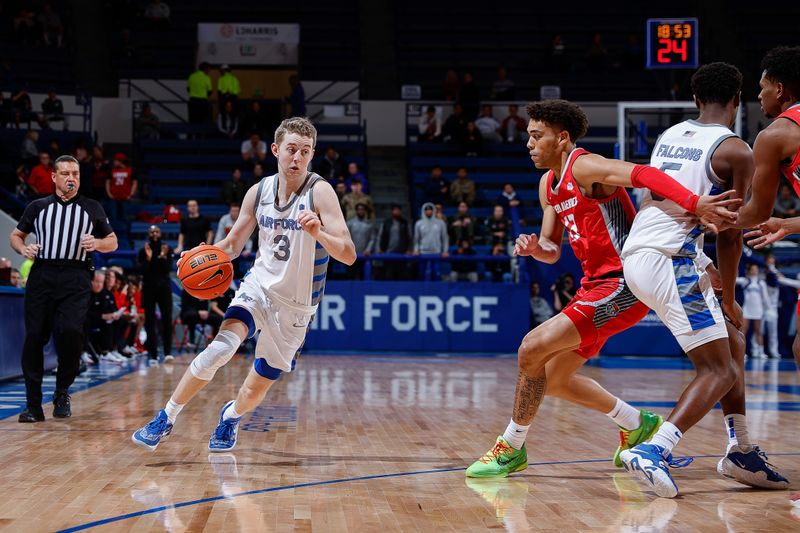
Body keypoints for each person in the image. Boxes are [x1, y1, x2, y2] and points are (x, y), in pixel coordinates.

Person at [465, 99, 739, 484]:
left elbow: (643, 174)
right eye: (528, 136)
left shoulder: (585, 165)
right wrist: (533, 248)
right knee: (555, 379)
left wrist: (696, 204)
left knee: (530, 348)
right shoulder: (548, 184)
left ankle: (511, 447)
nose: (528, 143)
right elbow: (551, 248)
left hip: (624, 283)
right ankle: (636, 423)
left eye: (536, 135)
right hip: (593, 287)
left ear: (562, 138)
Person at [132, 117, 356, 452]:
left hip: (296, 306)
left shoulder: (320, 192)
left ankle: (231, 417)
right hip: (259, 288)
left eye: (305, 151)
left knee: (254, 390)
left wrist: (318, 233)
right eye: (292, 149)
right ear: (276, 150)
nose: (297, 157)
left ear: (312, 155)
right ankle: (166, 416)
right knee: (219, 349)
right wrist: (201, 253)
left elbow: (349, 254)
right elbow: (233, 245)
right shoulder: (259, 191)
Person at [620, 63, 788, 496]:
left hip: (644, 250)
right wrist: (729, 296)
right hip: (670, 258)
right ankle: (654, 449)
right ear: (738, 100)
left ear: (695, 99)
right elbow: (731, 232)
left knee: (734, 346)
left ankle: (741, 449)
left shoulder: (670, 135)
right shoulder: (737, 150)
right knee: (720, 368)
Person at [10, 155, 118, 422]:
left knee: (70, 333)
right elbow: (16, 235)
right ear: (54, 177)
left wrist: (98, 244)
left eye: (76, 174)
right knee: (35, 337)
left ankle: (62, 391)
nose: (72, 178)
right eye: (66, 173)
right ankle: (33, 405)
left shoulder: (92, 207)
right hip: (43, 275)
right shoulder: (37, 207)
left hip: (76, 276)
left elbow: (113, 241)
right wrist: (23, 249)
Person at [138, 225, 174, 362]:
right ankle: (152, 354)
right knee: (150, 321)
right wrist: (149, 259)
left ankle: (167, 352)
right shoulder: (143, 250)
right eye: (152, 232)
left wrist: (162, 257)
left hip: (164, 288)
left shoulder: (167, 249)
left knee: (167, 320)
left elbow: (167, 269)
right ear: (148, 234)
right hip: (148, 289)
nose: (154, 234)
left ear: (160, 233)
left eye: (156, 231)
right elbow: (142, 270)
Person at [736, 264, 768, 359]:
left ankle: (761, 352)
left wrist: (768, 309)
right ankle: (742, 352)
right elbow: (735, 280)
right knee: (743, 331)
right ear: (749, 271)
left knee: (759, 331)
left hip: (758, 310)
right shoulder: (746, 281)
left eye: (756, 269)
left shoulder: (761, 283)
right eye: (753, 269)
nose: (754, 271)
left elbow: (765, 298)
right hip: (747, 310)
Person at [215, 203, 252, 278]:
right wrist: (215, 249)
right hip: (226, 245)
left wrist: (248, 249)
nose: (234, 213)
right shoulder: (224, 219)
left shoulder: (243, 220)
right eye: (233, 211)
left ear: (239, 212)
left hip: (240, 246)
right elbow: (219, 235)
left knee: (237, 266)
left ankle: (237, 277)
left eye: (236, 211)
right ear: (229, 211)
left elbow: (247, 235)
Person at [377, 203, 411, 280]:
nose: (396, 212)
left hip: (401, 254)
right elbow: (380, 236)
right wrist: (379, 248)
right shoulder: (386, 223)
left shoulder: (404, 223)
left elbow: (409, 237)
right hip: (388, 253)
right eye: (395, 210)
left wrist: (408, 249)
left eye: (398, 210)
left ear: (400, 211)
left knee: (401, 275)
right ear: (392, 211)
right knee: (388, 274)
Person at [346, 203, 376, 279]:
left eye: (362, 209)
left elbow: (372, 238)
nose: (361, 211)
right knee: (351, 275)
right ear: (356, 211)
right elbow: (346, 237)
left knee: (363, 275)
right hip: (352, 254)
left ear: (365, 211)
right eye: (359, 209)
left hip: (364, 255)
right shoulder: (350, 223)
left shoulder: (369, 224)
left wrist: (368, 250)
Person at [106, 152, 137, 221]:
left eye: (115, 160)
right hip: (114, 197)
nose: (114, 162)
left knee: (126, 217)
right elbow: (107, 182)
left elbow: (134, 183)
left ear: (120, 161)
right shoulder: (112, 170)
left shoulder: (131, 170)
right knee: (113, 217)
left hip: (125, 198)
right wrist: (109, 194)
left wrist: (131, 194)